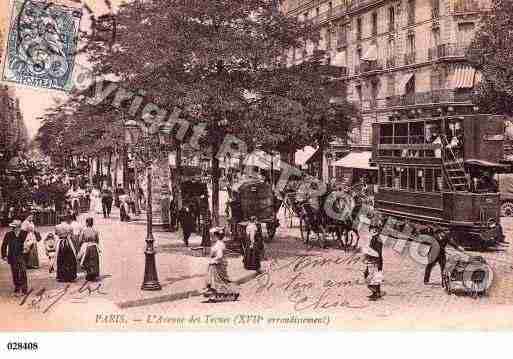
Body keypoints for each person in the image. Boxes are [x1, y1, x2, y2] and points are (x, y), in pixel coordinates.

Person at [203, 227, 239, 302]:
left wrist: (213, 260)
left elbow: (220, 256)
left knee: (219, 280)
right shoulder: (216, 244)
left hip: (219, 264)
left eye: (212, 236)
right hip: (215, 264)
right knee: (215, 280)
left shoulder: (220, 244)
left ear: (216, 236)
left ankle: (231, 292)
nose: (211, 237)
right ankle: (214, 294)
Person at [1, 220, 29, 296]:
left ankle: (24, 289)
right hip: (12, 256)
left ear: (18, 227)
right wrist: (4, 255)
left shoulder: (24, 233)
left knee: (23, 271)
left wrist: (27, 248)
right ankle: (17, 287)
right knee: (15, 272)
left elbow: (29, 242)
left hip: (22, 256)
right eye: (11, 226)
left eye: (13, 226)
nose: (11, 228)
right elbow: (4, 245)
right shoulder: (8, 234)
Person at [53, 216, 78, 282]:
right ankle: (70, 276)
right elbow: (72, 236)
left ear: (60, 220)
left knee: (60, 259)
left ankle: (61, 276)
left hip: (60, 242)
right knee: (70, 259)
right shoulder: (69, 226)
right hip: (68, 242)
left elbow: (56, 234)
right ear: (66, 220)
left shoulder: (57, 226)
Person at [363, 222, 384, 301]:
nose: (371, 231)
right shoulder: (374, 238)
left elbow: (377, 253)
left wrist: (367, 251)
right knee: (374, 277)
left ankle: (376, 293)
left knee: (371, 276)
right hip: (373, 260)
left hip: (376, 261)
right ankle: (376, 293)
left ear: (377, 231)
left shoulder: (377, 239)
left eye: (373, 230)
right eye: (371, 230)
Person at [77, 217, 101, 281]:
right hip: (93, 246)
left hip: (86, 246)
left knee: (85, 259)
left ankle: (88, 273)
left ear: (87, 223)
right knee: (93, 260)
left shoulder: (84, 230)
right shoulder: (95, 231)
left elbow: (80, 240)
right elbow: (97, 240)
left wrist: (80, 245)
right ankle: (93, 274)